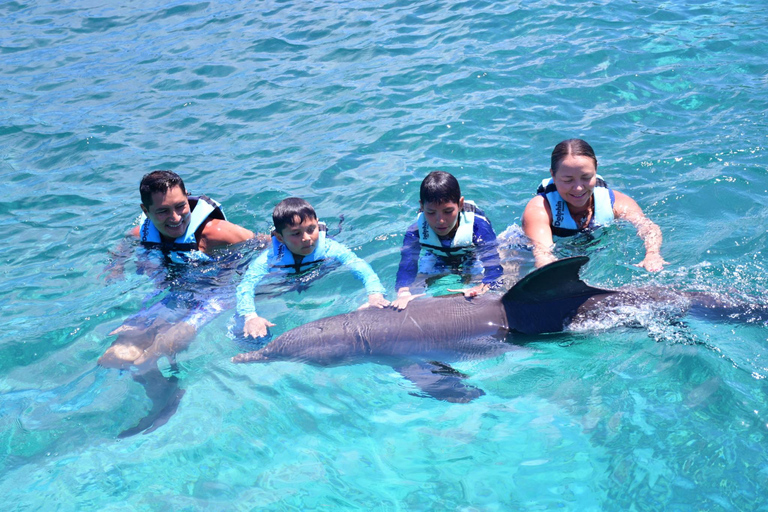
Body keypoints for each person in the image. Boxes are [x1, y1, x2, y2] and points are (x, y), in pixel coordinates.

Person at [99, 170, 261, 436]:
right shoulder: (144, 232)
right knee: (114, 356)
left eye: (180, 207)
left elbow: (266, 245)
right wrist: (115, 266)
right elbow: (125, 243)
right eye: (162, 211)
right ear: (146, 210)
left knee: (153, 353)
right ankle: (165, 393)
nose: (175, 218)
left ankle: (165, 400)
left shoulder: (218, 233)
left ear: (188, 199)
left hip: (214, 296)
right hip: (173, 297)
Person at [236, 197, 389, 338]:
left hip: (321, 268)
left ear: (317, 224)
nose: (306, 238)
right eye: (296, 233)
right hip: (287, 277)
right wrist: (250, 316)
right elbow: (246, 285)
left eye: (311, 229)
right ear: (280, 237)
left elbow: (361, 267)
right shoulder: (270, 258)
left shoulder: (330, 249)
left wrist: (375, 293)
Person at [522, 138, 667, 271]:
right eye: (568, 180)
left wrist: (652, 254)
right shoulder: (539, 210)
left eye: (586, 177)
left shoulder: (616, 202)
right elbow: (543, 256)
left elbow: (649, 228)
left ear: (596, 169)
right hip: (525, 255)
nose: (578, 188)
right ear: (553, 175)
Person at [392, 171, 504, 310]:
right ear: (421, 206)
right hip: (436, 254)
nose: (440, 221)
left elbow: (493, 264)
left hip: (471, 253)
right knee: (424, 290)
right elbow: (407, 264)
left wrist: (484, 285)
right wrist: (403, 292)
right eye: (431, 212)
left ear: (460, 204)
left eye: (448, 211)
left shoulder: (478, 227)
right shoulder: (415, 231)